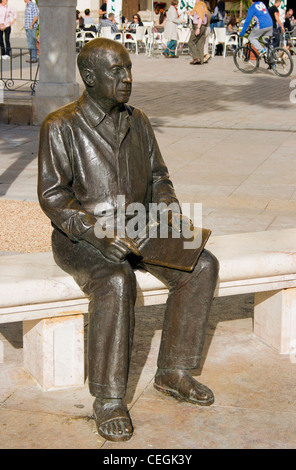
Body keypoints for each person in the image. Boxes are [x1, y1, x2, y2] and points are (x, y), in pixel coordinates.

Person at [38, 38, 219, 443]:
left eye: (129, 69)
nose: (127, 78)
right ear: (89, 77)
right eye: (116, 71)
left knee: (203, 264)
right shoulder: (61, 125)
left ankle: (174, 370)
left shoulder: (139, 120)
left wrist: (169, 208)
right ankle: (108, 398)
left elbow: (158, 176)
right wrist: (98, 234)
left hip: (141, 223)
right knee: (118, 280)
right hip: (81, 235)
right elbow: (54, 197)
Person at [187, 0, 209, 65]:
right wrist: (190, 13)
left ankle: (196, 58)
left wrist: (198, 28)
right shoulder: (203, 5)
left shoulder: (199, 5)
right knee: (200, 44)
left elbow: (200, 17)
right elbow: (196, 14)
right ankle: (201, 60)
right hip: (204, 26)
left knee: (190, 42)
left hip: (198, 25)